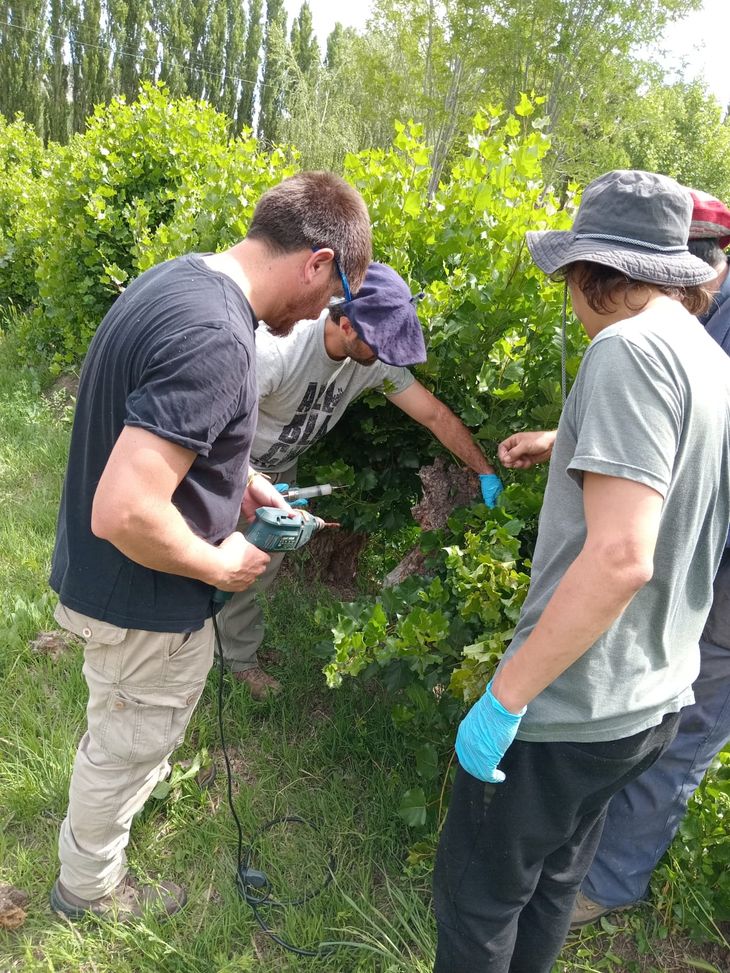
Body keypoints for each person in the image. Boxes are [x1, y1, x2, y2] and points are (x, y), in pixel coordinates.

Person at [48, 171, 372, 921]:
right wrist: (220, 562)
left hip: (110, 583)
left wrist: (244, 480)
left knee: (124, 729)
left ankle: (105, 829)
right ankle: (88, 890)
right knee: (126, 742)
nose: (327, 311)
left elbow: (163, 437)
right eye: (338, 295)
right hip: (142, 595)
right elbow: (126, 508)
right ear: (317, 262)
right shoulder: (219, 337)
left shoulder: (179, 282)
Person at [432, 170, 730, 973]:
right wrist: (561, 440)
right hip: (655, 695)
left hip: (573, 704)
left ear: (592, 271)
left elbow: (622, 556)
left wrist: (505, 697)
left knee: (478, 895)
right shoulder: (705, 356)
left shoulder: (626, 350)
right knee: (555, 876)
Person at [218, 261, 503, 698]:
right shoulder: (277, 351)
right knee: (206, 558)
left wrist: (485, 471)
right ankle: (193, 655)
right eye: (380, 346)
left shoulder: (371, 361)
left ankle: (235, 652)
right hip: (228, 463)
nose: (386, 357)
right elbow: (213, 434)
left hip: (280, 468)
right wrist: (250, 480)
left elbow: (433, 415)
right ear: (348, 325)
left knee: (259, 567)